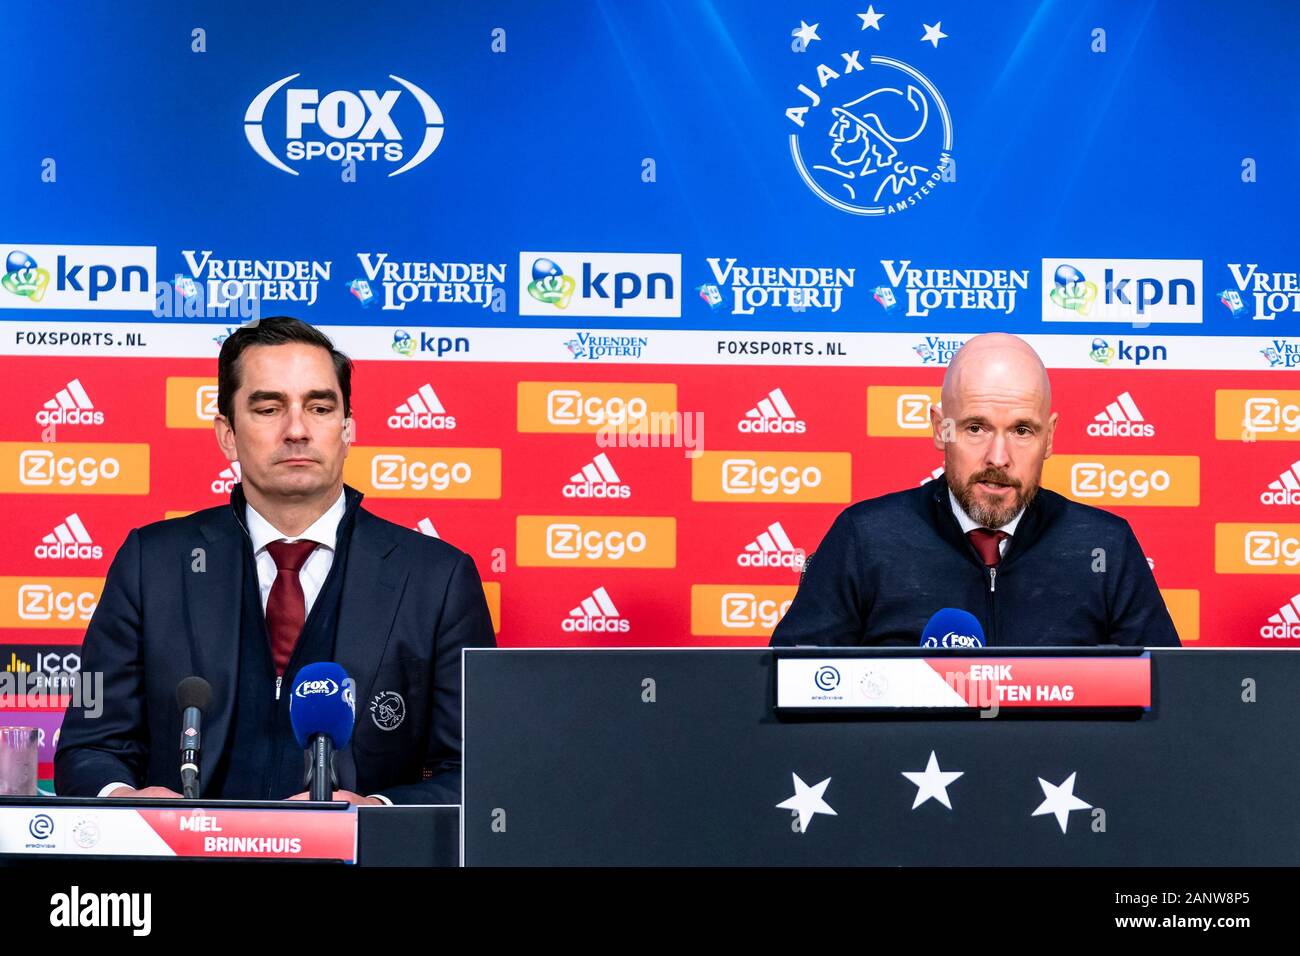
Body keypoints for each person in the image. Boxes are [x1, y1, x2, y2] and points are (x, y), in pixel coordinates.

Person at [55, 317, 496, 804]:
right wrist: (124, 800)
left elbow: (476, 772)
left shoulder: (437, 578)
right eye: (268, 408)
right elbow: (89, 748)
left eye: (320, 407)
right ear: (227, 433)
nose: (297, 430)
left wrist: (377, 813)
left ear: (347, 428)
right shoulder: (151, 564)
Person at [770, 332, 1181, 647]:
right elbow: (792, 688)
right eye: (976, 428)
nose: (998, 457)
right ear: (939, 428)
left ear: (1050, 438)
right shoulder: (865, 538)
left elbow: (1168, 702)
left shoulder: (1105, 546)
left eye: (1022, 430)